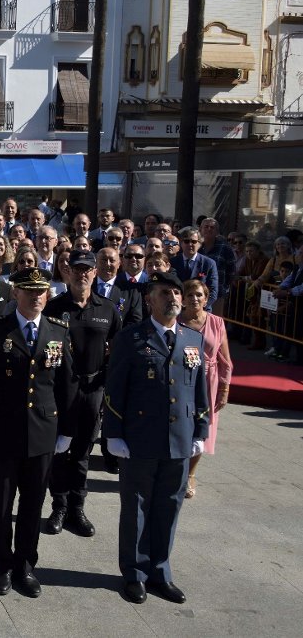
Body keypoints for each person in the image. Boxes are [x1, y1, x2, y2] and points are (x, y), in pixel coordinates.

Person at [0, 267, 75, 598]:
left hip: (42, 431)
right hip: (3, 430)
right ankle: (2, 566)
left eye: (41, 291)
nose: (37, 297)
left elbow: (68, 384)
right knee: (0, 506)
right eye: (29, 291)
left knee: (32, 504)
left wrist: (67, 430)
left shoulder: (57, 330)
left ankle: (25, 565)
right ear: (16, 293)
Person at [104, 270, 210, 605]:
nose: (174, 299)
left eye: (177, 293)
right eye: (166, 293)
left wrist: (201, 430)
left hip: (179, 439)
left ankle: (160, 572)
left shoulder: (192, 339)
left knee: (169, 508)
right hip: (139, 438)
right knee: (136, 509)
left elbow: (200, 391)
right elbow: (114, 390)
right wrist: (114, 433)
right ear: (150, 300)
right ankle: (134, 574)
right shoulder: (131, 338)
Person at [43, 251, 121, 538]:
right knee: (59, 451)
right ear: (67, 272)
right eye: (76, 269)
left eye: (87, 269)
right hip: (60, 391)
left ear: (95, 272)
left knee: (82, 452)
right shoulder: (53, 308)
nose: (82, 274)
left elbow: (118, 350)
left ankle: (77, 507)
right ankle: (59, 507)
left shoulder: (108, 309)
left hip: (92, 390)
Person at [177, 278, 231, 499]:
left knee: (202, 430)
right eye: (190, 295)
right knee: (180, 426)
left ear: (206, 298)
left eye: (199, 295)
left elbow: (225, 360)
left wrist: (225, 389)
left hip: (209, 381)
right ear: (183, 299)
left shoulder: (216, 323)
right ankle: (176, 472)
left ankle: (190, 474)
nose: (195, 299)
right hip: (181, 379)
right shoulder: (176, 320)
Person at [170, 227, 219, 311]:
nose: (190, 244)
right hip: (178, 310)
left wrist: (200, 307)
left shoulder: (209, 263)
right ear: (181, 243)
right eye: (186, 241)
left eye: (193, 241)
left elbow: (213, 291)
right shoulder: (172, 263)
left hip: (202, 310)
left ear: (199, 244)